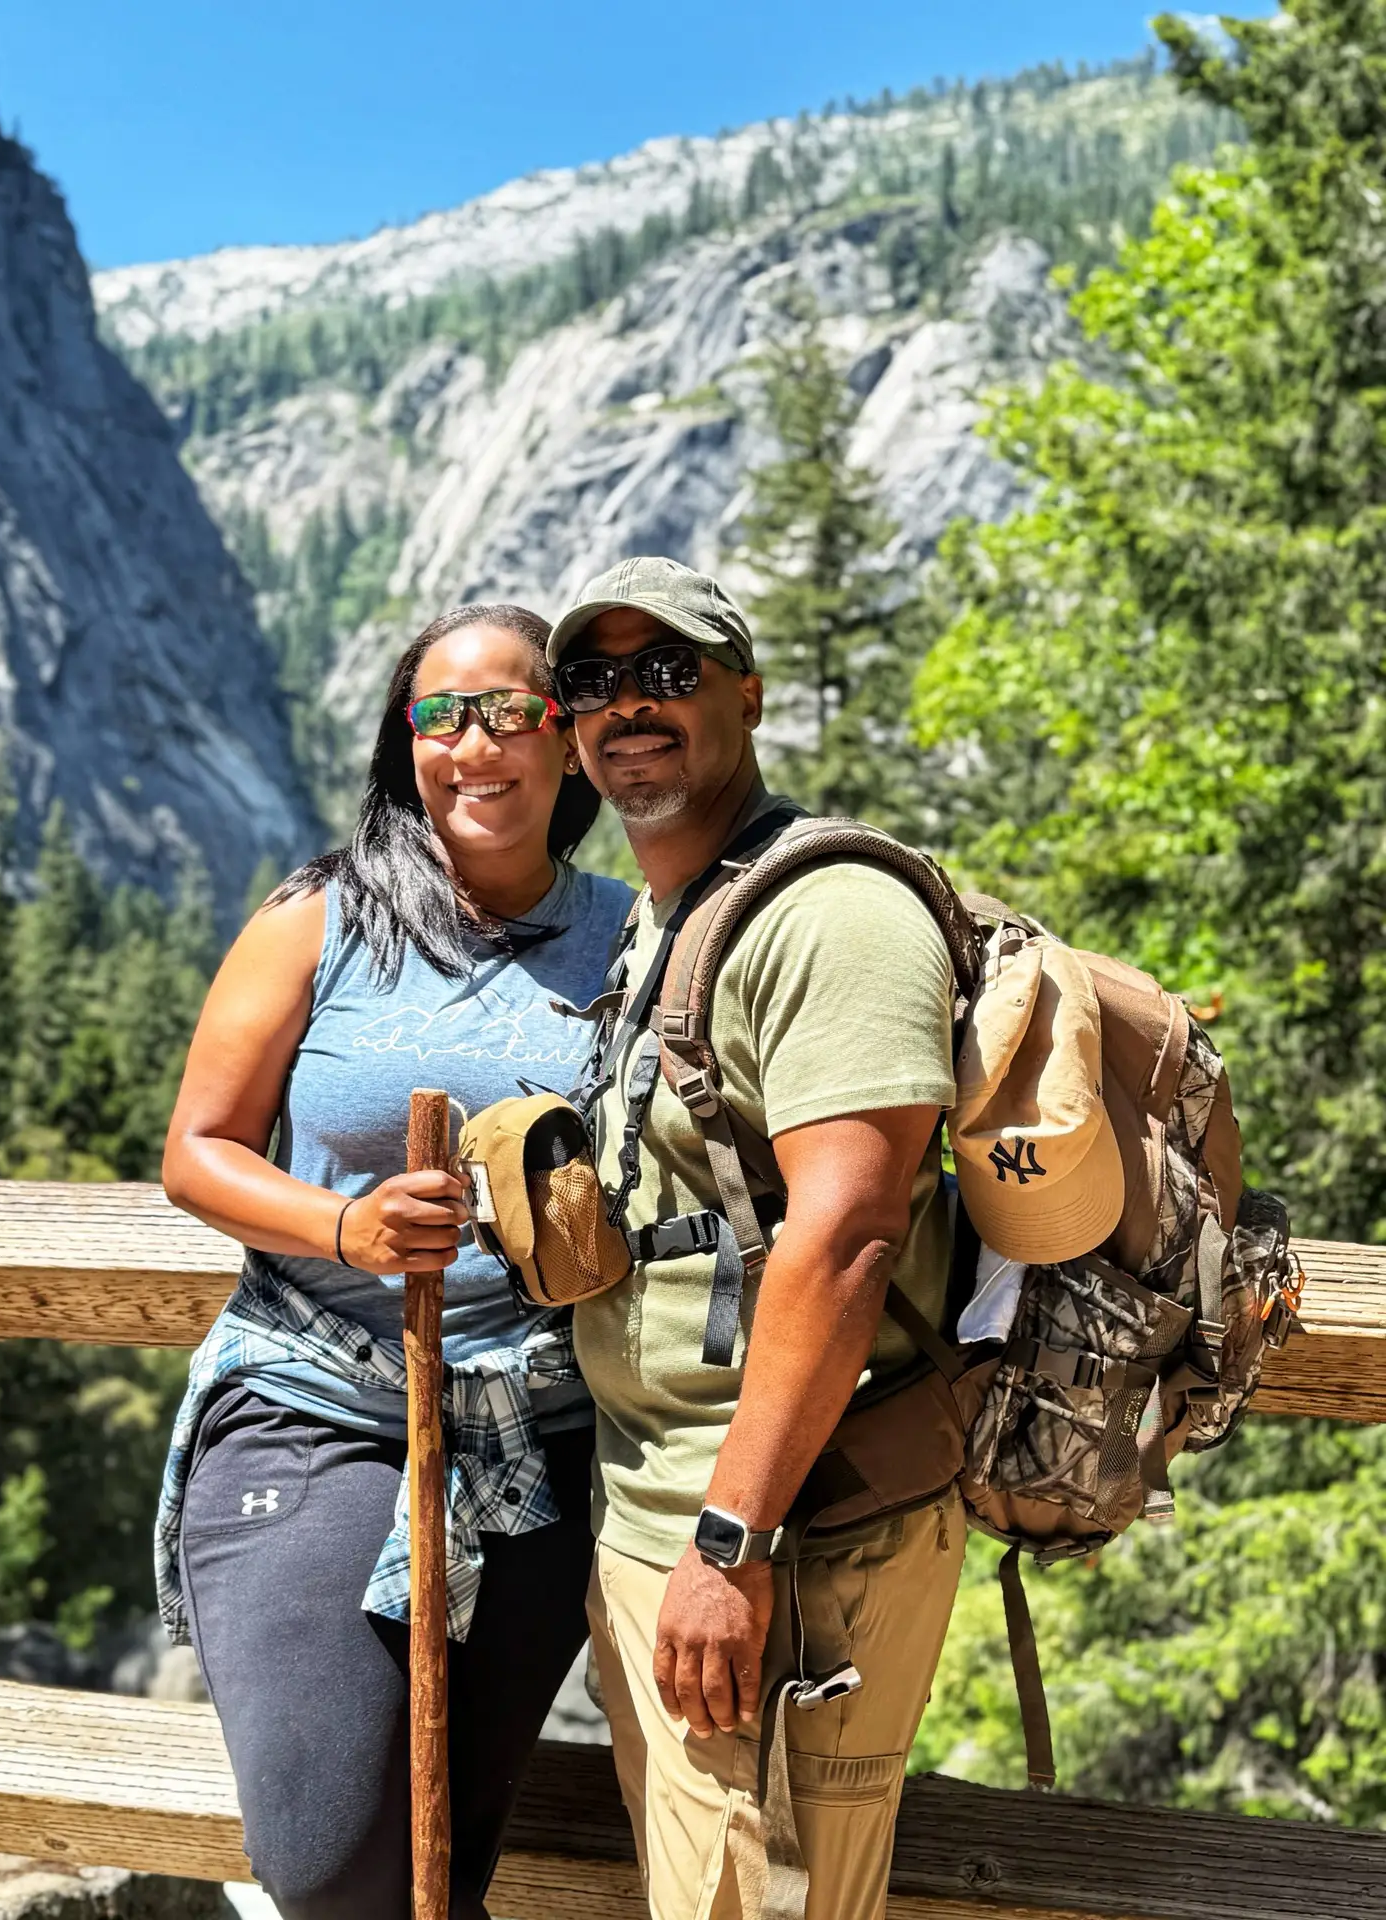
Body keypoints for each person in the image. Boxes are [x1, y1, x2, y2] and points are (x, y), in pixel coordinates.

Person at [156, 603, 634, 1920]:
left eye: (510, 711)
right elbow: (197, 1150)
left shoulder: (632, 940)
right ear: (402, 744)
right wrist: (347, 1227)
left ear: (568, 741)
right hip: (316, 1406)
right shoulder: (322, 918)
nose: (474, 745)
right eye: (441, 716)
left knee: (442, 1868)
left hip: (540, 1438)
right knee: (334, 1858)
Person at [548, 557, 967, 1920]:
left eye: (667, 670)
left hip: (790, 1539)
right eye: (595, 681)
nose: (630, 705)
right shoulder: (671, 913)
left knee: (768, 1903)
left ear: (747, 693)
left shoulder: (832, 915)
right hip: (666, 1516)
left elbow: (845, 1236)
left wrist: (729, 1547)